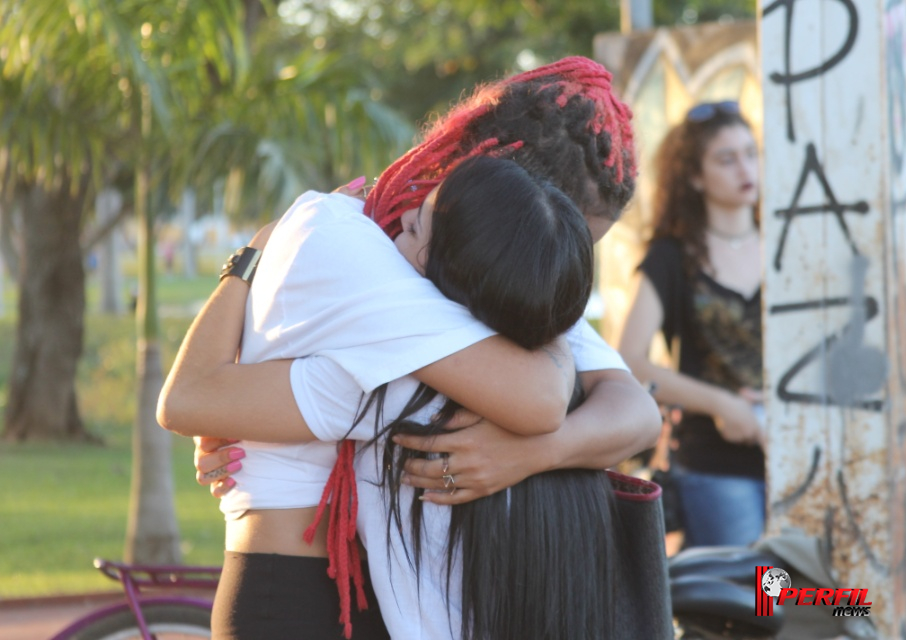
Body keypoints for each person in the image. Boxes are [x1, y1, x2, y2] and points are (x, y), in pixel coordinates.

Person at [164, 57, 662, 638]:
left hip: (385, 594)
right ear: (505, 195)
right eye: (563, 231)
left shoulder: (472, 284)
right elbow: (543, 397)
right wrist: (252, 258)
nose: (557, 266)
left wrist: (529, 454)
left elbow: (635, 411)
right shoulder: (370, 256)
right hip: (295, 588)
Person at [619, 100, 765, 548]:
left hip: (806, 458)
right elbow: (629, 360)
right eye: (726, 158)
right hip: (718, 470)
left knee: (834, 604)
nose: (745, 168)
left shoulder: (791, 245)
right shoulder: (671, 257)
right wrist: (723, 405)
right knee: (758, 606)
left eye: (750, 153)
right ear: (696, 177)